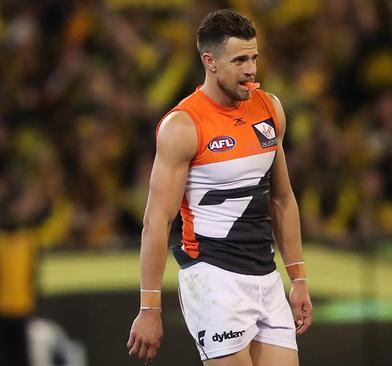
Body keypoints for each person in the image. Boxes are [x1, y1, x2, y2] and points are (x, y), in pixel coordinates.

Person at [127, 9, 313, 365]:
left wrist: (298, 276)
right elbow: (156, 221)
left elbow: (283, 198)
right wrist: (149, 306)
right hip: (214, 279)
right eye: (240, 60)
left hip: (266, 274)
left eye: (254, 58)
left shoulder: (270, 109)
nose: (251, 69)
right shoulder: (183, 126)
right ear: (209, 61)